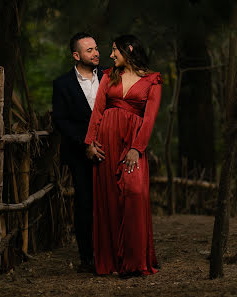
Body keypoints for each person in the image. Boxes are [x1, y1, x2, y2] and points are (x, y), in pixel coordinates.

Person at [85, 34, 161, 276]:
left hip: (132, 143)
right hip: (106, 141)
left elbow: (149, 120)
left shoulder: (153, 80)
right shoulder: (109, 75)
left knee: (134, 192)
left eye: (114, 50)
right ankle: (112, 262)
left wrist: (137, 148)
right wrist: (90, 143)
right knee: (108, 199)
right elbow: (98, 110)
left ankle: (134, 261)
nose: (110, 55)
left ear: (128, 49)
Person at [52, 32, 106, 272]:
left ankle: (113, 255)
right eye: (89, 50)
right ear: (76, 55)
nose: (95, 53)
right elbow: (62, 121)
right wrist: (87, 145)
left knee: (110, 203)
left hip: (110, 150)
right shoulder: (62, 84)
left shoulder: (109, 76)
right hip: (80, 153)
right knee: (85, 204)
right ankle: (88, 259)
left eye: (96, 48)